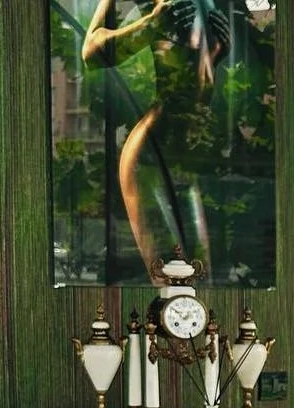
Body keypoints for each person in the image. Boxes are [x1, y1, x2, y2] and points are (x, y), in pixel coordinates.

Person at [82, 0, 232, 279]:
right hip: (153, 156)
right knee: (171, 280)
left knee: (199, 278)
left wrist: (216, 54)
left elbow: (191, 69)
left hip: (186, 157)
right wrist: (151, 24)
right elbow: (91, 52)